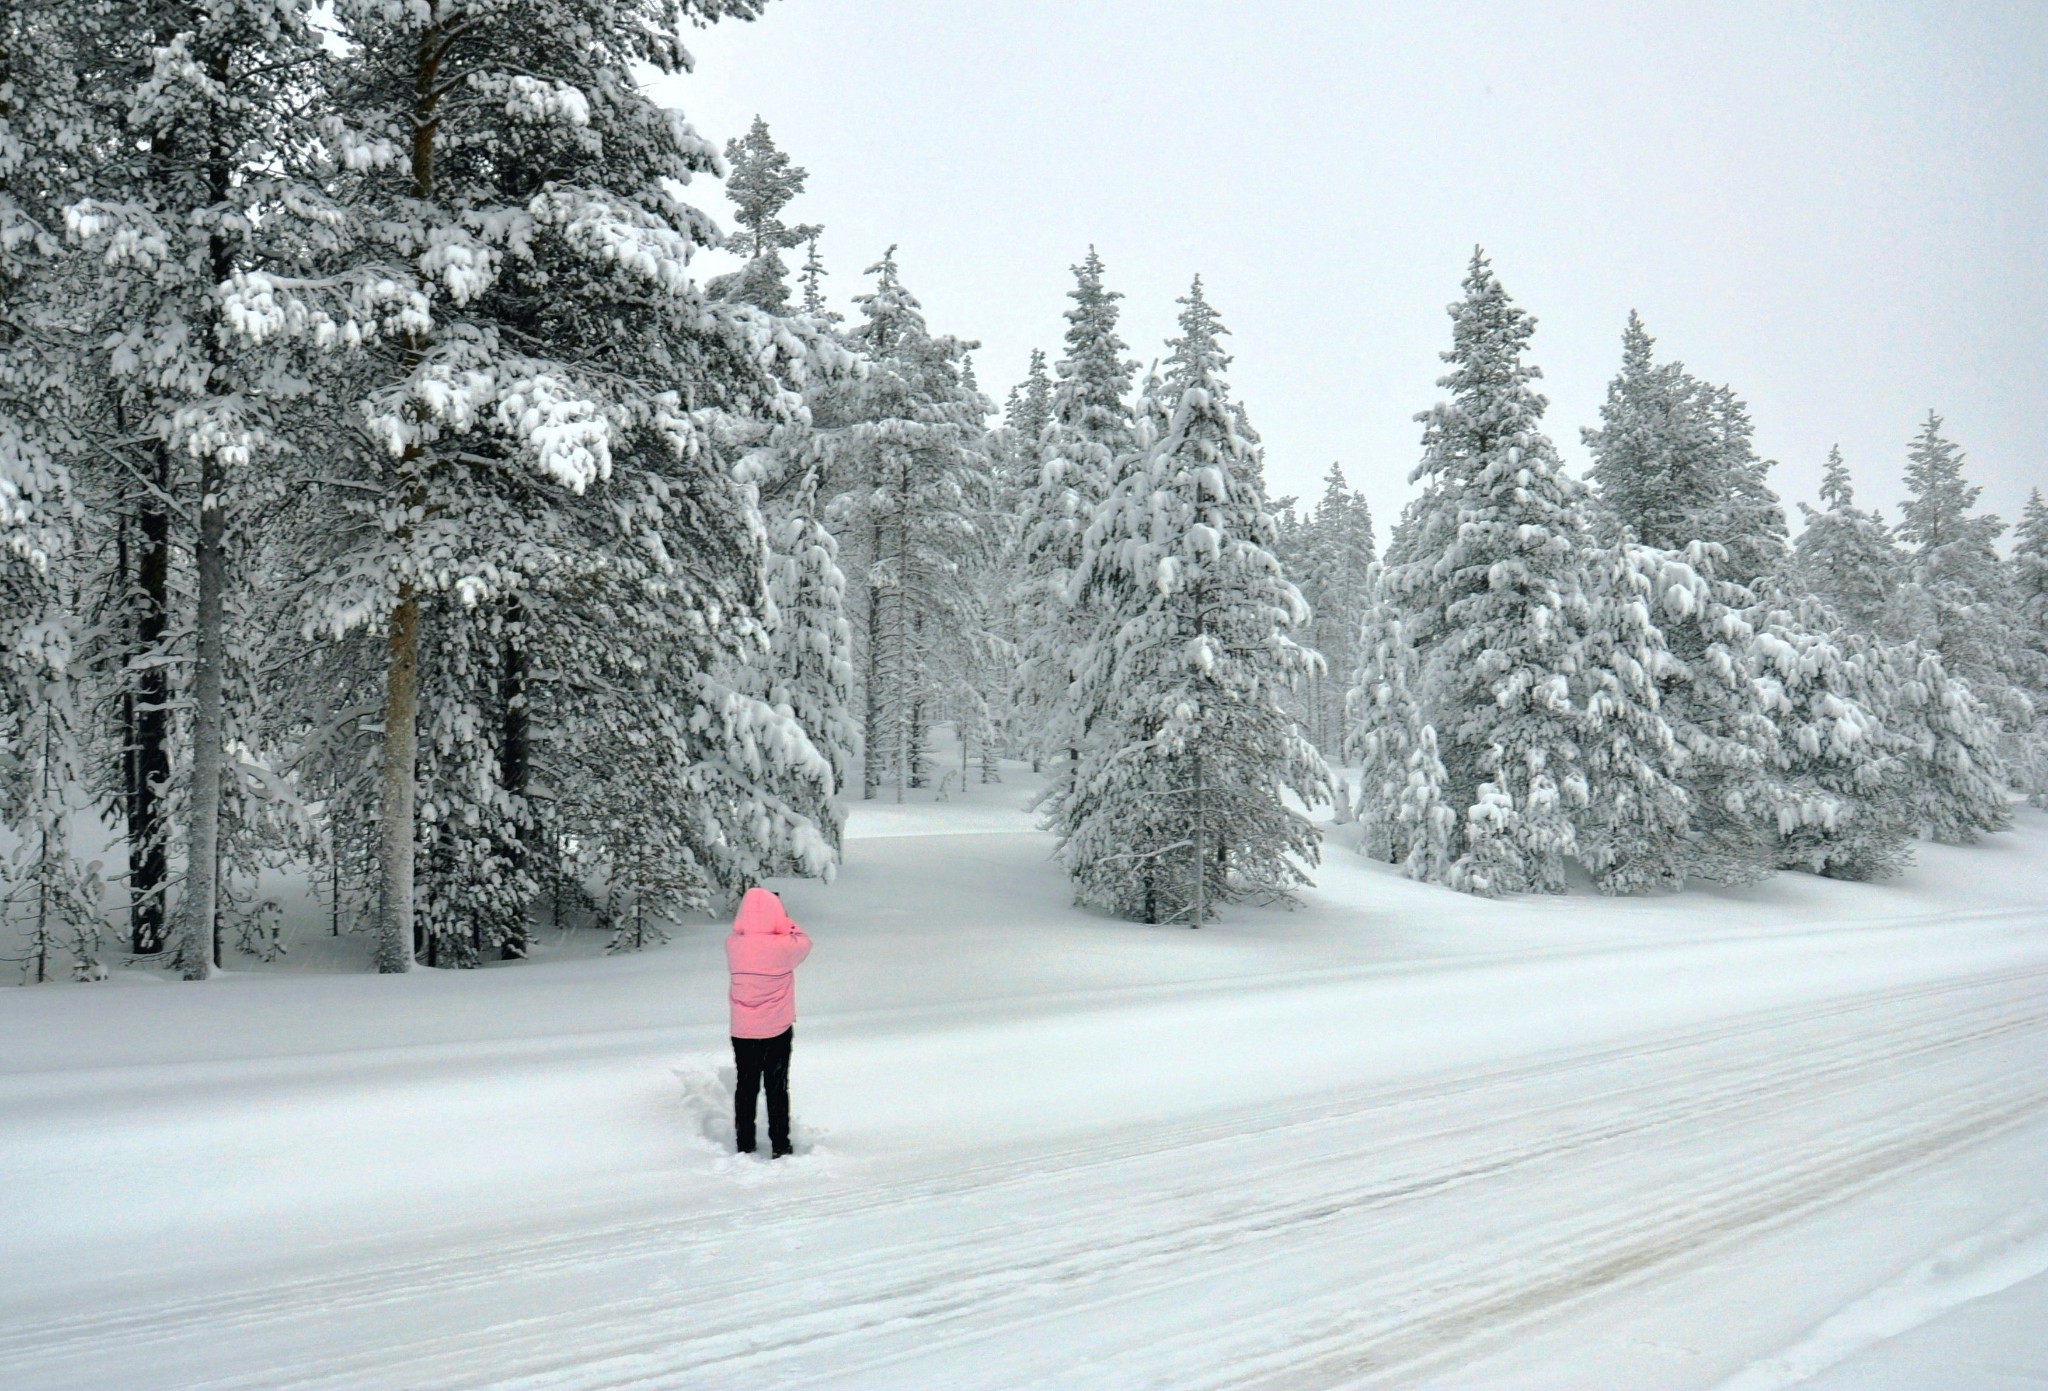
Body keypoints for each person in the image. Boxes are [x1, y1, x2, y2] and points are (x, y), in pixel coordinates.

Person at [725, 886, 812, 1157]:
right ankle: (780, 1144)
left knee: (746, 1086)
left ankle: (745, 1142)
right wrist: (783, 921)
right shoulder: (785, 946)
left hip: (743, 1030)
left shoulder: (734, 945)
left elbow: (740, 930)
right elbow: (804, 941)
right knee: (776, 1087)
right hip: (777, 1028)